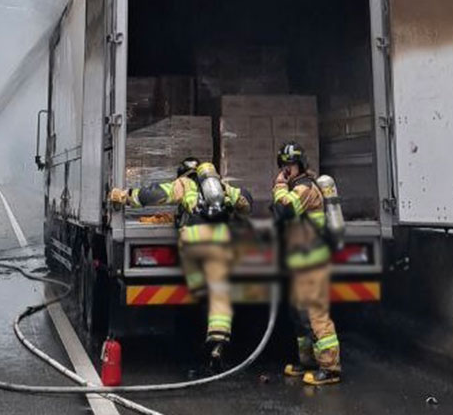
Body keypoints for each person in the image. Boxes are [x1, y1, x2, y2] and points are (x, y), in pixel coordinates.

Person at [109, 158, 251, 370]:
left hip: (194, 239)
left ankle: (200, 294)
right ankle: (217, 341)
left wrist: (124, 196)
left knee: (199, 285)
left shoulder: (184, 184)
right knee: (219, 291)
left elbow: (154, 194)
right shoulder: (221, 187)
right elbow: (245, 200)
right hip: (220, 240)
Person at [271, 142, 341, 385]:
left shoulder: (305, 188)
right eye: (284, 165)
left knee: (315, 313)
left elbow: (284, 210)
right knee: (299, 314)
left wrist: (279, 185)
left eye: (290, 165)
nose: (286, 169)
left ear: (300, 166)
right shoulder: (296, 187)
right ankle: (308, 361)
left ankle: (330, 368)